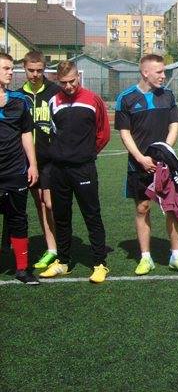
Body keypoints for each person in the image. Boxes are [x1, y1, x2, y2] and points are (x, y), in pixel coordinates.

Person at [115, 54, 178, 276]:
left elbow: (174, 125)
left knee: (172, 209)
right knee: (143, 208)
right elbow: (124, 133)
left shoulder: (168, 96)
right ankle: (145, 258)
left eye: (164, 71)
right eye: (159, 72)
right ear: (145, 72)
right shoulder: (126, 98)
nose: (163, 76)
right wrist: (141, 158)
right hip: (139, 164)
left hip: (166, 165)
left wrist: (164, 152)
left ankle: (176, 257)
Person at [39, 60, 111, 283]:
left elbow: (104, 133)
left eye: (72, 81)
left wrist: (86, 153)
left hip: (83, 169)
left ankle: (99, 263)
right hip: (59, 170)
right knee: (61, 217)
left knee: (92, 215)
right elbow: (52, 133)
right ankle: (63, 262)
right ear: (57, 80)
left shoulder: (93, 100)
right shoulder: (53, 101)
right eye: (63, 83)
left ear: (78, 76)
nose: (68, 86)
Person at [0, 52, 40, 285]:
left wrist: (32, 164)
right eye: (6, 68)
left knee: (18, 219)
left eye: (11, 68)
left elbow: (26, 133)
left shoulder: (19, 101)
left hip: (15, 171)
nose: (10, 72)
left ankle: (22, 269)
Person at [20, 51, 60, 270]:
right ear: (24, 68)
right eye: (31, 70)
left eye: (39, 70)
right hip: (28, 161)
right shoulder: (19, 96)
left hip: (51, 159)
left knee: (51, 203)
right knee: (40, 203)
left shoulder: (55, 92)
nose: (35, 74)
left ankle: (60, 243)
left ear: (45, 69)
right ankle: (51, 248)